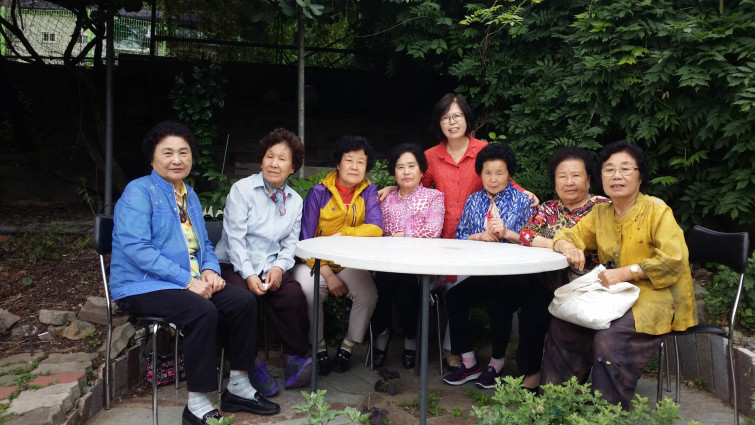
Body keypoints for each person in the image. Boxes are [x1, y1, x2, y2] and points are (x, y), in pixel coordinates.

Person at [110, 121, 279, 425]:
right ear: (152, 157)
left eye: (183, 152)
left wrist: (210, 270)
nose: (177, 159)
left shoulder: (189, 194)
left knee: (243, 302)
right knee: (202, 311)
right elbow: (137, 248)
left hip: (188, 282)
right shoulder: (138, 192)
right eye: (168, 153)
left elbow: (204, 245)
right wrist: (187, 281)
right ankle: (197, 404)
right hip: (142, 285)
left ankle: (238, 387)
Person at [378, 93, 539, 369]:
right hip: (443, 234)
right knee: (450, 289)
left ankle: (452, 349)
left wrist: (526, 192)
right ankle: (451, 348)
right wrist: (394, 187)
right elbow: (416, 183)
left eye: (457, 116)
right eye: (445, 117)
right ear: (439, 123)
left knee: (460, 287)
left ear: (467, 118)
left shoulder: (483, 148)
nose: (452, 122)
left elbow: (500, 175)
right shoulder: (431, 155)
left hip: (477, 238)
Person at [542, 140, 697, 409]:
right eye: (609, 170)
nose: (616, 176)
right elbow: (569, 234)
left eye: (625, 169)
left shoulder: (657, 210)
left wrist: (627, 273)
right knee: (563, 325)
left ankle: (608, 412)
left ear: (640, 175)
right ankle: (557, 404)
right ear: (600, 177)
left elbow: (674, 260)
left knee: (609, 337)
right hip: (613, 294)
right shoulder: (601, 213)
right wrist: (567, 246)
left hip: (655, 296)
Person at [214, 128, 312, 396]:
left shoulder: (295, 201)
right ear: (261, 160)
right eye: (270, 156)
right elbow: (234, 240)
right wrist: (248, 274)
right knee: (241, 301)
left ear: (292, 167)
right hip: (234, 265)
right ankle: (249, 364)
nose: (274, 163)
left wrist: (279, 267)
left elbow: (290, 243)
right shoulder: (242, 190)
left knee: (293, 296)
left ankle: (295, 359)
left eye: (282, 159)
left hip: (270, 267)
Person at [442, 143, 540, 389]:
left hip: (517, 272)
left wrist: (507, 233)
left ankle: (496, 363)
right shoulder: (474, 200)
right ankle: (469, 362)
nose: (493, 179)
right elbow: (460, 236)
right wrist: (480, 236)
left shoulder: (524, 201)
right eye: (487, 172)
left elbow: (534, 239)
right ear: (480, 174)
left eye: (499, 173)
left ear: (509, 174)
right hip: (485, 271)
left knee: (499, 304)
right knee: (454, 297)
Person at [515, 147, 609, 390]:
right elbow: (526, 234)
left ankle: (570, 385)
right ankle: (532, 374)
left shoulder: (603, 207)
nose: (569, 182)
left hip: (588, 288)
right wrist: (560, 245)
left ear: (588, 179)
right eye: (562, 176)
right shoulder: (548, 208)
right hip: (550, 285)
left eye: (576, 175)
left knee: (572, 325)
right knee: (531, 312)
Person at [292, 135, 383, 375]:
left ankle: (348, 345)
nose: (354, 166)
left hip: (347, 262)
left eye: (361, 162)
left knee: (368, 294)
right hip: (314, 262)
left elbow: (376, 228)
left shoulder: (368, 191)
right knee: (309, 291)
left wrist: (344, 234)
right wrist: (328, 275)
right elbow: (305, 239)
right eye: (349, 160)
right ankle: (318, 346)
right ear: (338, 163)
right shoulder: (318, 192)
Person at [370, 143, 444, 369]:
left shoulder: (434, 197)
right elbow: (376, 231)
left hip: (420, 266)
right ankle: (382, 333)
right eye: (400, 167)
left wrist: (403, 235)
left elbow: (434, 230)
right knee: (380, 283)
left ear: (422, 170)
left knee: (406, 282)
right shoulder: (385, 199)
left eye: (412, 166)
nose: (406, 172)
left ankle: (411, 338)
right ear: (394, 172)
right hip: (387, 264)